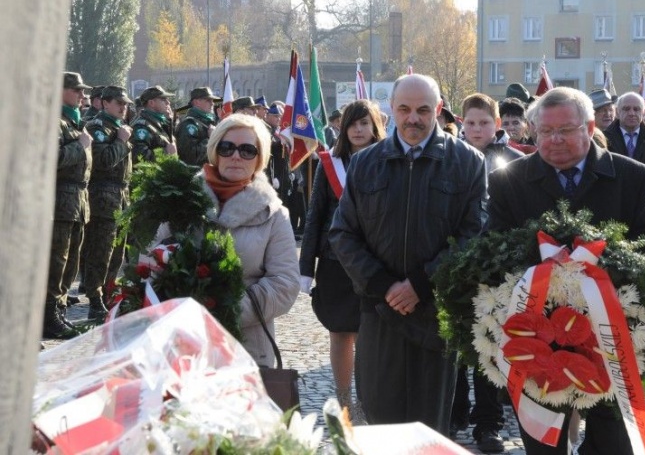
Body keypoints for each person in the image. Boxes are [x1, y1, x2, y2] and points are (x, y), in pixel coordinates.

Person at [487, 86, 645, 455]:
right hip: (536, 334)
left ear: (589, 127)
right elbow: (491, 250)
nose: (554, 140)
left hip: (611, 336)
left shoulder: (634, 177)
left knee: (613, 445)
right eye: (545, 131)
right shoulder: (509, 180)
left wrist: (599, 272)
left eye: (566, 130)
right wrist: (544, 277)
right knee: (545, 444)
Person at [330, 74, 486, 435]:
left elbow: (473, 234)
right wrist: (384, 285)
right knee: (380, 427)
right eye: (404, 109)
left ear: (439, 110)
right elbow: (342, 233)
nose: (412, 118)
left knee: (429, 431)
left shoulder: (468, 163)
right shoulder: (366, 163)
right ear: (390, 111)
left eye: (423, 110)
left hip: (436, 317)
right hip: (379, 313)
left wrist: (420, 284)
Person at [300, 100, 385, 415]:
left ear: (374, 126)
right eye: (353, 124)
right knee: (340, 330)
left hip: (374, 262)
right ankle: (344, 397)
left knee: (369, 333)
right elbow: (315, 217)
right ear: (343, 128)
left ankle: (367, 397)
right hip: (336, 262)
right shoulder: (328, 164)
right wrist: (306, 267)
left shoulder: (388, 160)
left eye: (364, 123)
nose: (359, 130)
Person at [452, 93, 523, 453]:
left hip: (498, 271)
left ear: (497, 124)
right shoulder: (450, 158)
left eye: (484, 123)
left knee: (490, 349)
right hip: (456, 265)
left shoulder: (516, 162)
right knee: (456, 342)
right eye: (471, 123)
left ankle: (488, 422)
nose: (477, 129)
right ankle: (455, 409)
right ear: (462, 125)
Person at [201, 114, 301, 366]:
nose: (236, 156)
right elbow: (152, 260)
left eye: (247, 150)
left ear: (260, 158)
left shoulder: (274, 214)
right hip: (185, 347)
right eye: (227, 148)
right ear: (215, 151)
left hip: (247, 348)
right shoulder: (181, 201)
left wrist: (224, 309)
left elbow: (284, 284)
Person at [45, 72, 93, 339]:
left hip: (77, 202)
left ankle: (58, 312)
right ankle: (49, 315)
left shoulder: (74, 125)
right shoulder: (56, 122)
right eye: (77, 91)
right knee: (57, 261)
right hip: (60, 203)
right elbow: (54, 158)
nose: (83, 96)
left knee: (70, 261)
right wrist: (81, 146)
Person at [82, 86, 133, 321]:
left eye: (125, 104)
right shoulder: (97, 127)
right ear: (104, 104)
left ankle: (108, 295)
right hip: (103, 196)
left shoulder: (119, 128)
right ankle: (94, 298)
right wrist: (122, 142)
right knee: (101, 250)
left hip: (120, 196)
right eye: (119, 103)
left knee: (117, 253)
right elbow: (103, 161)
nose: (124, 108)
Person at [603, 92, 645, 166]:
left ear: (644, 113)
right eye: (626, 109)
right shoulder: (603, 140)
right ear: (617, 112)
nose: (631, 113)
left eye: (636, 109)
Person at [175, 87, 221, 166]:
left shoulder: (209, 122)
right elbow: (190, 158)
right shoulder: (189, 125)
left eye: (212, 100)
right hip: (195, 175)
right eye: (208, 100)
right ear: (196, 102)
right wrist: (210, 139)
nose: (212, 103)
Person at [131, 85, 177, 163]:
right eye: (163, 99)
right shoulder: (141, 127)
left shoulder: (160, 123)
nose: (168, 102)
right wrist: (165, 152)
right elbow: (139, 157)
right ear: (151, 103)